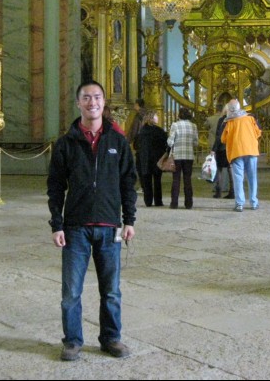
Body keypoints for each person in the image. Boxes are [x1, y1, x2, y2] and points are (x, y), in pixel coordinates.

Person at [46, 80, 137, 362]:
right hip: (76, 227)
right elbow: (55, 185)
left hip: (109, 227)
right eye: (86, 98)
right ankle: (72, 341)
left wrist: (129, 220)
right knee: (71, 292)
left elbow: (128, 183)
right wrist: (57, 224)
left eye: (97, 97)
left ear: (103, 102)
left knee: (111, 291)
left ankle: (111, 338)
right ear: (78, 103)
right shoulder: (65, 143)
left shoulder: (118, 142)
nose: (92, 102)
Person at [220, 99, 262, 212]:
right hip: (251, 150)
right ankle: (254, 202)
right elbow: (258, 133)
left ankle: (239, 204)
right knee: (252, 177)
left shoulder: (229, 122)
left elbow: (223, 139)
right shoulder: (250, 119)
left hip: (236, 152)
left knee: (238, 178)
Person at [167, 107, 198, 210]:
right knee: (187, 179)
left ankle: (174, 203)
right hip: (189, 156)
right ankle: (189, 203)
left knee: (176, 179)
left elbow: (170, 142)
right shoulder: (193, 126)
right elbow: (196, 142)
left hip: (177, 156)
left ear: (179, 115)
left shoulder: (175, 125)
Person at [136, 109, 168, 207]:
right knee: (157, 181)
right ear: (151, 118)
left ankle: (148, 201)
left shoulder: (141, 131)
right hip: (157, 158)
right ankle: (158, 201)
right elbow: (165, 144)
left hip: (144, 158)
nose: (158, 117)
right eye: (156, 116)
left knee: (146, 180)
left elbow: (137, 145)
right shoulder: (159, 131)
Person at [211, 104, 235, 200]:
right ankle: (232, 191)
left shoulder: (222, 120)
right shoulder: (235, 120)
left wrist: (214, 149)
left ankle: (218, 191)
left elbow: (219, 136)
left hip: (222, 148)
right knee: (231, 170)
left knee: (219, 170)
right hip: (232, 148)